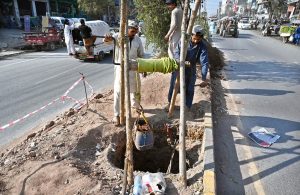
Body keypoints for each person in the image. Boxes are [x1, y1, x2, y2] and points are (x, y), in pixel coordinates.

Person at [104, 21, 145, 126]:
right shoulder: (118, 36)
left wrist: (143, 68)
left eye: (135, 31)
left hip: (133, 68)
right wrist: (107, 38)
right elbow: (107, 41)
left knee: (135, 89)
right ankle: (117, 115)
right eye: (132, 31)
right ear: (127, 29)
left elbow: (141, 54)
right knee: (118, 91)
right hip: (120, 68)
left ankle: (136, 108)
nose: (134, 33)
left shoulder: (137, 40)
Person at [165, 25, 209, 111]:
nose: (196, 41)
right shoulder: (183, 41)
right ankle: (170, 103)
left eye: (198, 39)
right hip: (179, 67)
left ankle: (187, 106)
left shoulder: (202, 46)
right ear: (191, 35)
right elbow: (177, 52)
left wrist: (204, 78)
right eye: (194, 38)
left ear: (201, 38)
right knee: (174, 86)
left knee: (190, 88)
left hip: (191, 69)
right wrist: (180, 61)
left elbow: (204, 62)